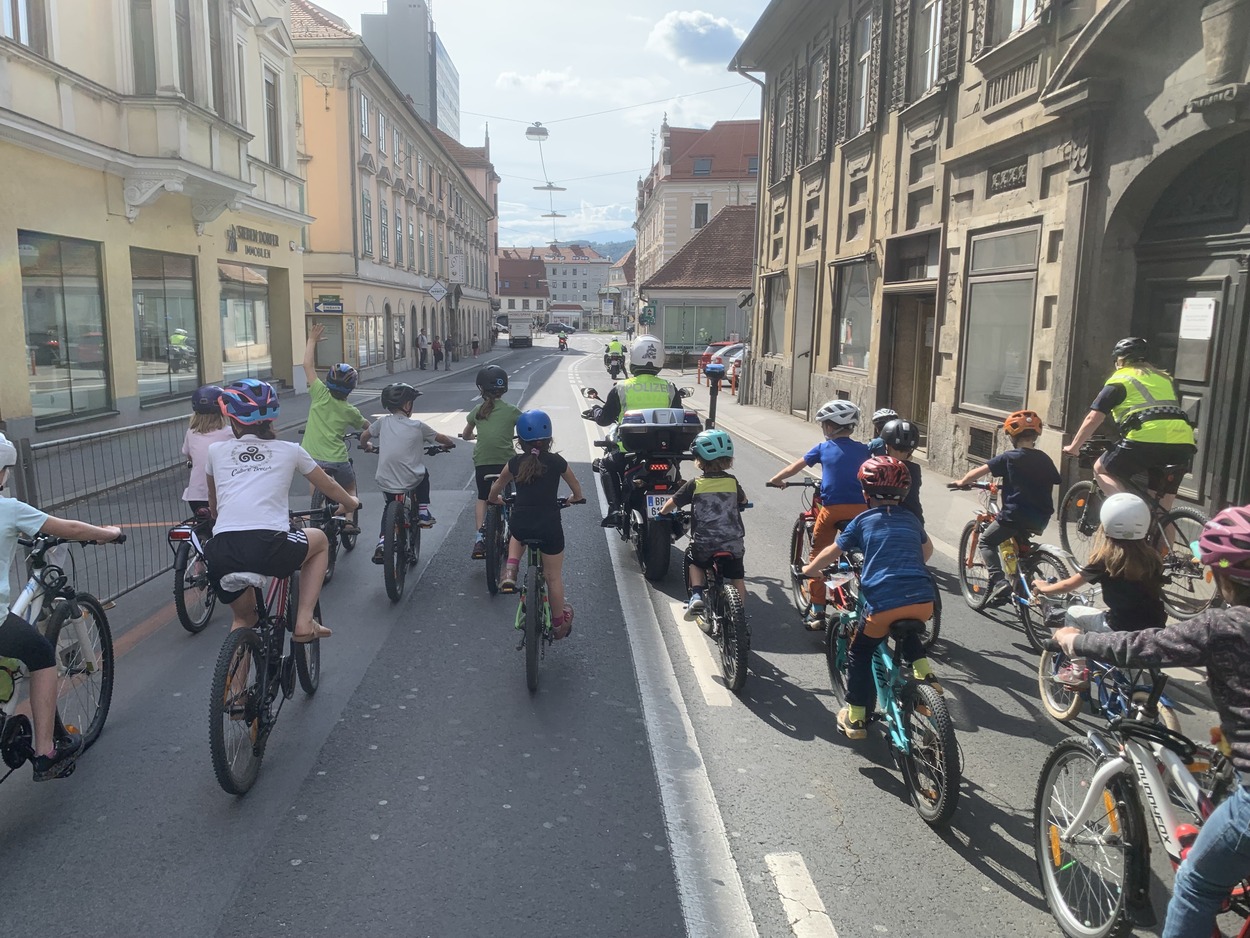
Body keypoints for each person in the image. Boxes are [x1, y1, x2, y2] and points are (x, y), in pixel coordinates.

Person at [1053, 504, 1250, 938]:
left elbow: (1142, 647)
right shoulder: (1151, 559)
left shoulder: (1222, 625)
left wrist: (1076, 640)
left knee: (1196, 884)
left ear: (1214, 575)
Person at [0, 432, 124, 781]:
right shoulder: (9, 510)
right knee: (40, 655)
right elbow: (68, 528)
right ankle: (45, 751)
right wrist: (107, 533)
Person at [204, 379, 359, 642]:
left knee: (243, 620)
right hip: (270, 543)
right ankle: (305, 621)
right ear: (272, 418)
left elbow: (213, 502)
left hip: (223, 548)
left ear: (233, 419)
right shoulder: (290, 451)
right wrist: (352, 503)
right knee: (320, 541)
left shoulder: (216, 451)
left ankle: (235, 683)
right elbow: (329, 485)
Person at [803, 456, 940, 740]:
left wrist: (810, 569)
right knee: (908, 624)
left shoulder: (862, 521)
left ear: (865, 493)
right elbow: (927, 553)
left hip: (883, 603)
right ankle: (925, 675)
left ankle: (856, 717)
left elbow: (832, 552)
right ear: (904, 493)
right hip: (924, 601)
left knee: (860, 652)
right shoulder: (911, 519)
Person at [1034, 492, 1165, 685]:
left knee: (1073, 613)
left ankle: (1077, 673)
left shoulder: (1107, 559)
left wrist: (1044, 588)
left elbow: (1069, 585)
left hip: (1118, 627)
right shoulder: (1152, 557)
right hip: (1155, 626)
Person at [767, 400, 870, 630]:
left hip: (833, 510)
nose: (823, 429)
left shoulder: (823, 449)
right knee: (866, 550)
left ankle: (818, 612)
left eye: (825, 425)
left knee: (818, 556)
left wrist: (777, 479)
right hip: (863, 510)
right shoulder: (865, 449)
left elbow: (795, 466)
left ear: (832, 427)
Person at [1063, 336, 1196, 513]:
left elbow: (1093, 418)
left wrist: (1074, 446)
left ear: (1120, 360)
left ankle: (1130, 514)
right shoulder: (1164, 379)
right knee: (1162, 511)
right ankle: (1157, 534)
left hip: (1145, 439)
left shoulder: (1120, 379)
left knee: (1101, 469)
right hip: (1182, 442)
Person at [487, 410, 586, 640]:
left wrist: (495, 500)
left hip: (522, 522)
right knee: (553, 577)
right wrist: (575, 498)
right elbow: (576, 488)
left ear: (519, 441)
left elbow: (497, 487)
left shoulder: (514, 463)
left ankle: (511, 569)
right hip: (549, 525)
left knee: (517, 532)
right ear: (549, 439)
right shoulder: (557, 462)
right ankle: (559, 622)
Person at [950, 410, 1061, 600]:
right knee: (1021, 550)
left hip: (1014, 515)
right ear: (1035, 436)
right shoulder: (1045, 458)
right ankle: (1021, 581)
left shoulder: (1009, 457)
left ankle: (1000, 582)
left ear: (1011, 436)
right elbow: (1054, 479)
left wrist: (962, 482)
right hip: (1041, 517)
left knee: (987, 541)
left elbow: (979, 472)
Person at [588, 335, 683, 527]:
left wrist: (595, 410)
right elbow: (678, 419)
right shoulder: (670, 388)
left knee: (606, 465)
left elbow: (605, 419)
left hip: (628, 451)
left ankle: (615, 509)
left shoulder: (622, 388)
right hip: (663, 453)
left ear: (633, 358)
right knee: (676, 473)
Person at [658, 428, 748, 618]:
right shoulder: (732, 482)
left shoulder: (695, 484)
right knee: (737, 577)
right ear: (728, 460)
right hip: (733, 542)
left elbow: (672, 503)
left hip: (705, 542)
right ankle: (738, 614)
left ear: (699, 460)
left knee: (693, 559)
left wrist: (661, 513)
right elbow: (743, 501)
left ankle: (697, 595)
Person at [361, 383, 455, 561]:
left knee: (388, 506)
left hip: (385, 479)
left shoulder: (381, 422)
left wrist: (366, 446)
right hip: (412, 478)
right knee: (423, 474)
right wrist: (448, 444)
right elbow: (440, 438)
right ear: (406, 405)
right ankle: (422, 511)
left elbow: (364, 436)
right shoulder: (418, 426)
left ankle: (382, 541)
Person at [301, 324, 370, 533]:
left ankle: (318, 510)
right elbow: (367, 426)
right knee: (350, 489)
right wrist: (368, 439)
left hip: (310, 457)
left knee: (316, 489)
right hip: (337, 460)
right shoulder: (349, 410)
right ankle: (349, 519)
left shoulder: (319, 394)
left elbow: (307, 365)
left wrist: (312, 340)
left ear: (328, 381)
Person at [460, 365, 521, 559]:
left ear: (482, 389)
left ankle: (480, 537)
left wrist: (469, 437)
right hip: (506, 464)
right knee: (514, 494)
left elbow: (467, 434)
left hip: (483, 464)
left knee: (483, 497)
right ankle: (514, 528)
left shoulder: (477, 410)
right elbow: (526, 429)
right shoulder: (512, 411)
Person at [181, 385, 233, 516]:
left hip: (196, 495)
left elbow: (189, 455)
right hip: (221, 492)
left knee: (203, 527)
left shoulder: (191, 433)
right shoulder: (229, 433)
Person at [879, 418, 924, 526]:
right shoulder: (914, 469)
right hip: (914, 520)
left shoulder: (880, 467)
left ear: (886, 446)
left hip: (885, 520)